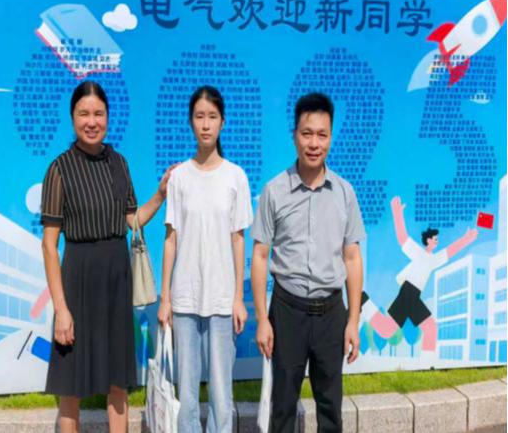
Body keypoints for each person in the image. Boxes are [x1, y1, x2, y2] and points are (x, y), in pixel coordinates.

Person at [41, 81, 174, 433]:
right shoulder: (59, 169)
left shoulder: (119, 163)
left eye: (98, 113)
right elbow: (49, 246)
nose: (91, 121)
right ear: (72, 117)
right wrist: (61, 308)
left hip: (116, 281)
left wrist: (160, 195)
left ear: (108, 117)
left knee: (118, 381)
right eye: (83, 113)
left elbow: (133, 221)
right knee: (71, 387)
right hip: (77, 281)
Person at [251, 92, 365, 433]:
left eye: (322, 135)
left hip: (332, 314)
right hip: (287, 312)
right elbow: (260, 256)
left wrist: (353, 320)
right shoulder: (274, 191)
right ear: (294, 136)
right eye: (307, 133)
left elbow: (352, 257)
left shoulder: (344, 193)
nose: (314, 143)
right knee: (283, 407)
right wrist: (262, 319)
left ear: (330, 137)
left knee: (331, 408)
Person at [158, 86, 253, 433]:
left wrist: (238, 298)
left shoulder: (235, 176)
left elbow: (238, 239)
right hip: (184, 298)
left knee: (221, 394)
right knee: (186, 393)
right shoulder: (180, 177)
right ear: (190, 122)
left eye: (212, 117)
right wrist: (165, 299)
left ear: (223, 122)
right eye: (199, 116)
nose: (206, 124)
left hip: (222, 300)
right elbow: (171, 239)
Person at [362, 196, 479, 352]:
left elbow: (449, 251)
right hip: (409, 292)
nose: (437, 241)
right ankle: (428, 362)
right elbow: (402, 238)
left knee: (387, 329)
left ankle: (361, 300)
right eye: (435, 239)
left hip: (411, 293)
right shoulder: (419, 253)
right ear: (428, 240)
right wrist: (397, 213)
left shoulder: (434, 259)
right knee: (430, 329)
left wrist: (466, 239)